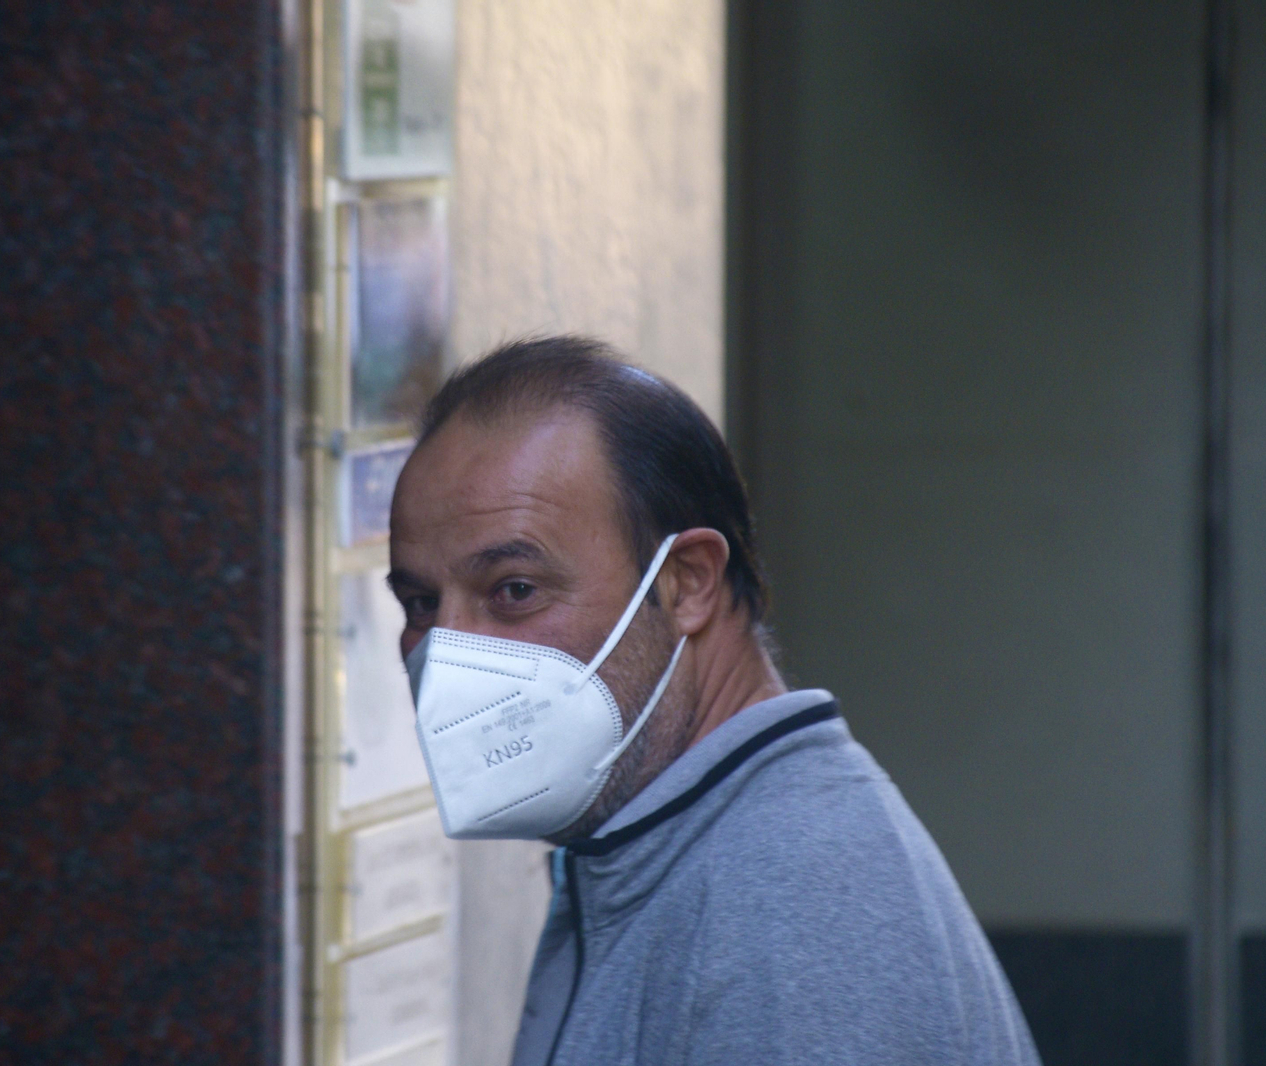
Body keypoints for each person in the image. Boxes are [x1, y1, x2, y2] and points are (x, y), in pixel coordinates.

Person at [387, 335, 1040, 1066]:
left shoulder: (792, 907)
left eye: (514, 590)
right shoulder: (662, 849)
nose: (446, 653)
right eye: (419, 602)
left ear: (687, 583)